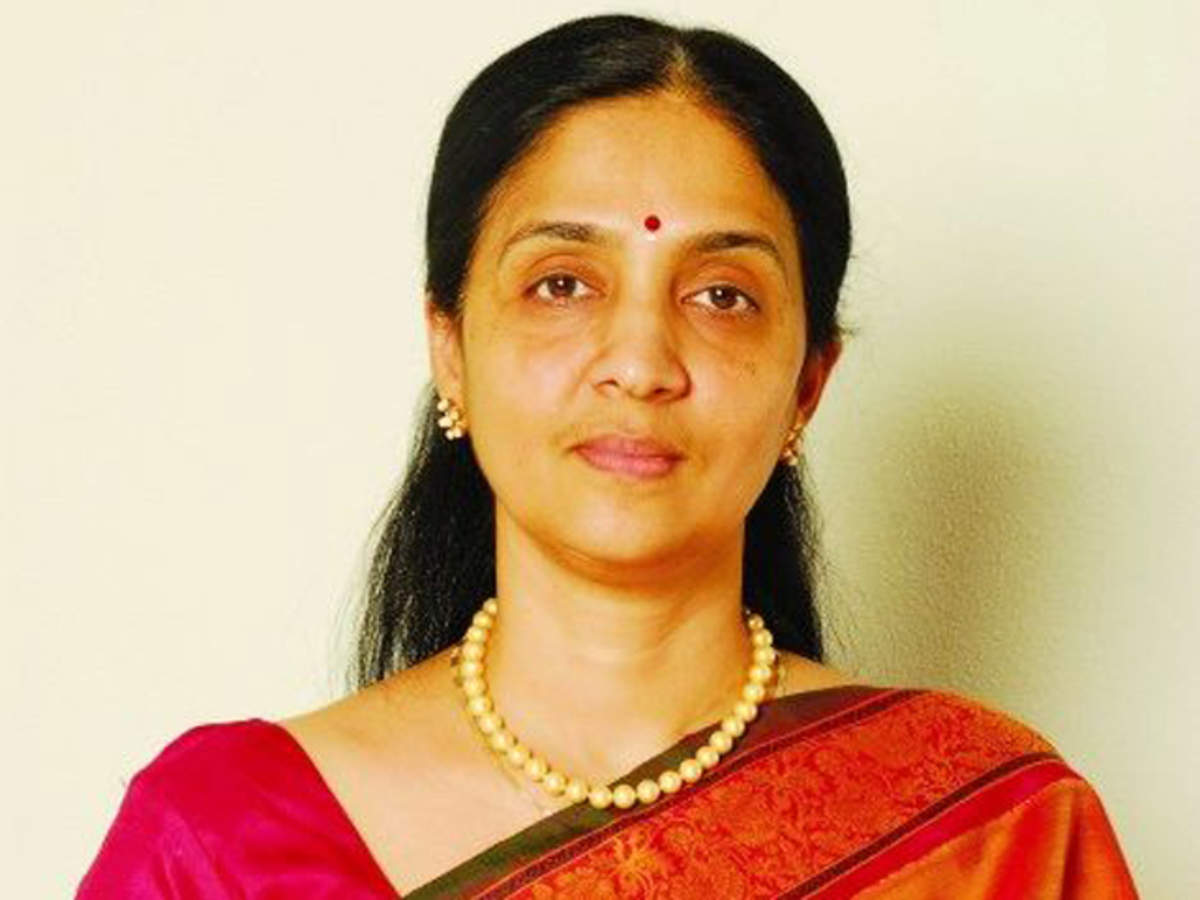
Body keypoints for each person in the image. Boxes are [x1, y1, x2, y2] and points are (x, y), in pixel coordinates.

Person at [77, 13, 1138, 898]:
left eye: (721, 296)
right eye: (563, 284)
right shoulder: (220, 846)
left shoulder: (994, 838)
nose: (639, 363)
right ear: (450, 346)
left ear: (808, 383)